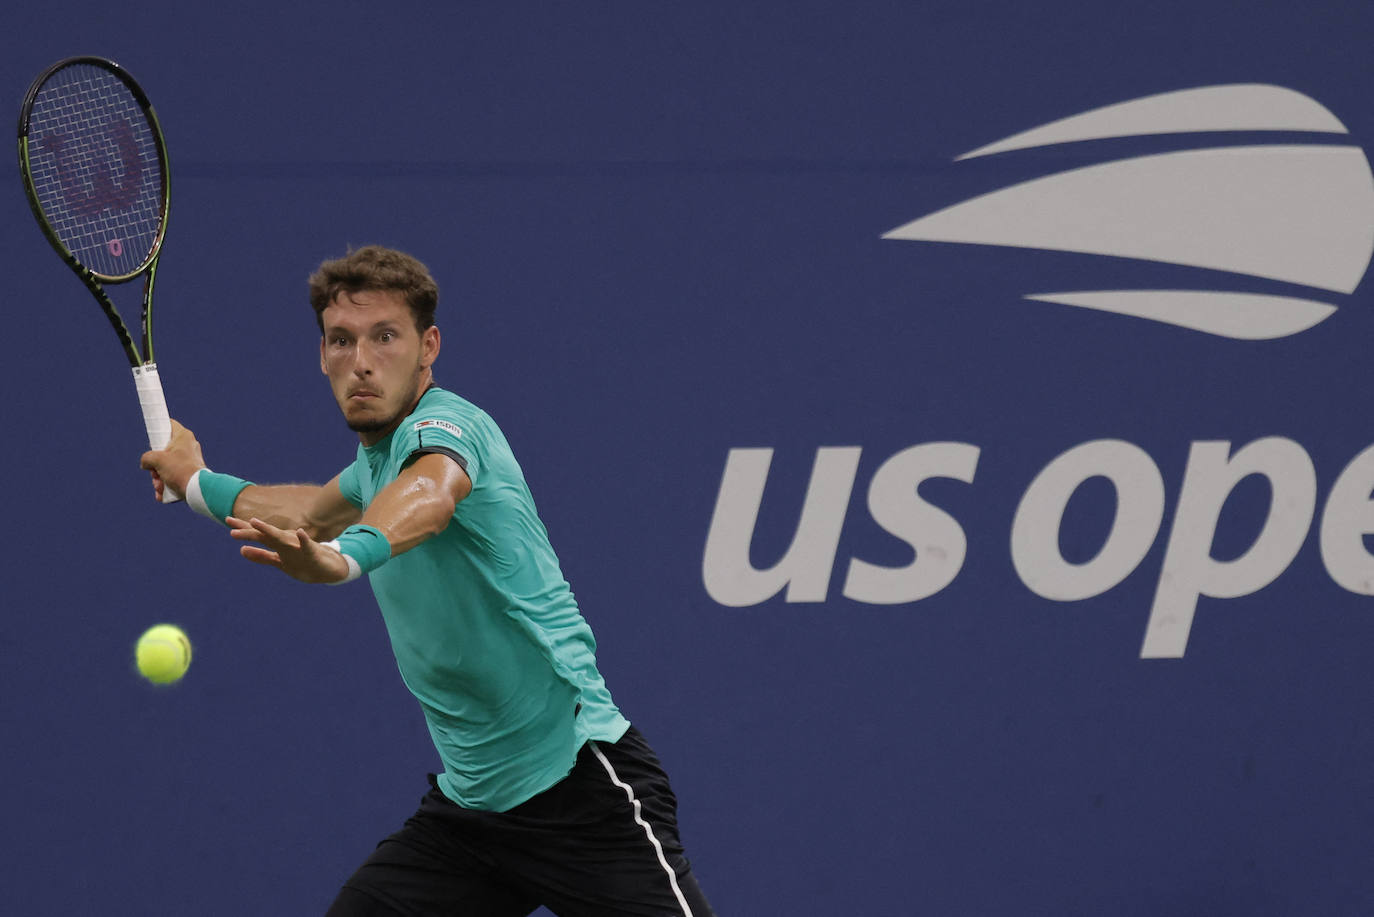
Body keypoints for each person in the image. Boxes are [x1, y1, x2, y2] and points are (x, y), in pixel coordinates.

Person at [140, 245, 715, 917]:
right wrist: (196, 482)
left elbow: (431, 493)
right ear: (322, 354)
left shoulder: (451, 428)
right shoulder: (374, 463)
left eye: (385, 336)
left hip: (581, 788)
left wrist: (344, 558)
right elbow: (305, 514)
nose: (361, 361)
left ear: (428, 347)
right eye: (341, 340)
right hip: (471, 818)